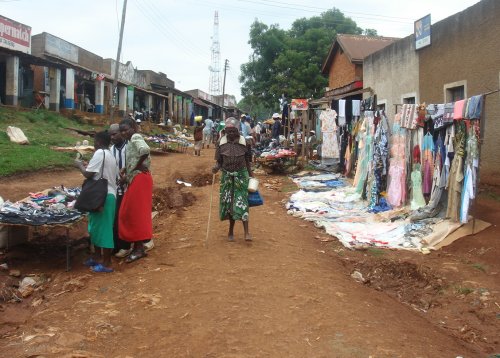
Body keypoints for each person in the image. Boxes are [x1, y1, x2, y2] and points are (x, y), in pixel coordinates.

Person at [75, 131, 118, 273]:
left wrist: (79, 165)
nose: (94, 145)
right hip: (106, 195)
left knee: (104, 230)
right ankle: (97, 257)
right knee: (95, 227)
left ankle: (107, 263)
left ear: (99, 142)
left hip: (103, 197)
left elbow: (88, 174)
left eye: (94, 142)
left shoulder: (100, 153)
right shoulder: (110, 155)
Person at [212, 117, 253, 242]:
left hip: (241, 176)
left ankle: (247, 232)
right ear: (225, 131)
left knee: (242, 203)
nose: (231, 133)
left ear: (238, 130)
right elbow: (219, 162)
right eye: (228, 131)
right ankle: (230, 231)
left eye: (233, 131)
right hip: (227, 176)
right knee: (229, 204)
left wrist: (251, 176)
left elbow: (248, 161)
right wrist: (216, 168)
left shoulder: (245, 143)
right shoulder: (220, 143)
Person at [118, 118, 153, 263]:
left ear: (133, 127)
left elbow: (145, 150)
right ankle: (138, 246)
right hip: (137, 179)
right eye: (122, 131)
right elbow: (137, 155)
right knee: (131, 212)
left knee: (133, 213)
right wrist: (127, 169)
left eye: (126, 129)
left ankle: (139, 248)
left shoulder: (135, 137)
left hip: (140, 179)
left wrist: (136, 167)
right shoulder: (130, 140)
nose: (123, 133)